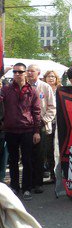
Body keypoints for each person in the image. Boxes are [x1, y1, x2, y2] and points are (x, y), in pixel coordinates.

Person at [0, 63, 42, 201]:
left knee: (27, 160)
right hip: (11, 129)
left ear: (25, 73)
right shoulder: (6, 90)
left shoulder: (33, 91)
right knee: (12, 160)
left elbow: (36, 112)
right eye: (15, 72)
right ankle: (14, 186)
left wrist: (37, 131)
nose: (17, 74)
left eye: (20, 72)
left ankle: (27, 188)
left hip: (27, 130)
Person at [26, 65, 56, 194]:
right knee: (27, 154)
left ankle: (38, 183)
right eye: (28, 71)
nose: (29, 73)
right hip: (26, 126)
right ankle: (28, 182)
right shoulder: (24, 86)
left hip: (41, 125)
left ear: (38, 73)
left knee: (39, 155)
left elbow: (52, 107)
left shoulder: (45, 87)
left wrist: (44, 120)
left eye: (32, 71)